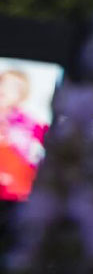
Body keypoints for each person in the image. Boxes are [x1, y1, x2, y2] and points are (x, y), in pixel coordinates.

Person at [0, 68, 49, 202]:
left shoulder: (30, 122)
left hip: (14, 191)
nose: (4, 89)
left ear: (21, 94)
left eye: (13, 87)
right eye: (2, 82)